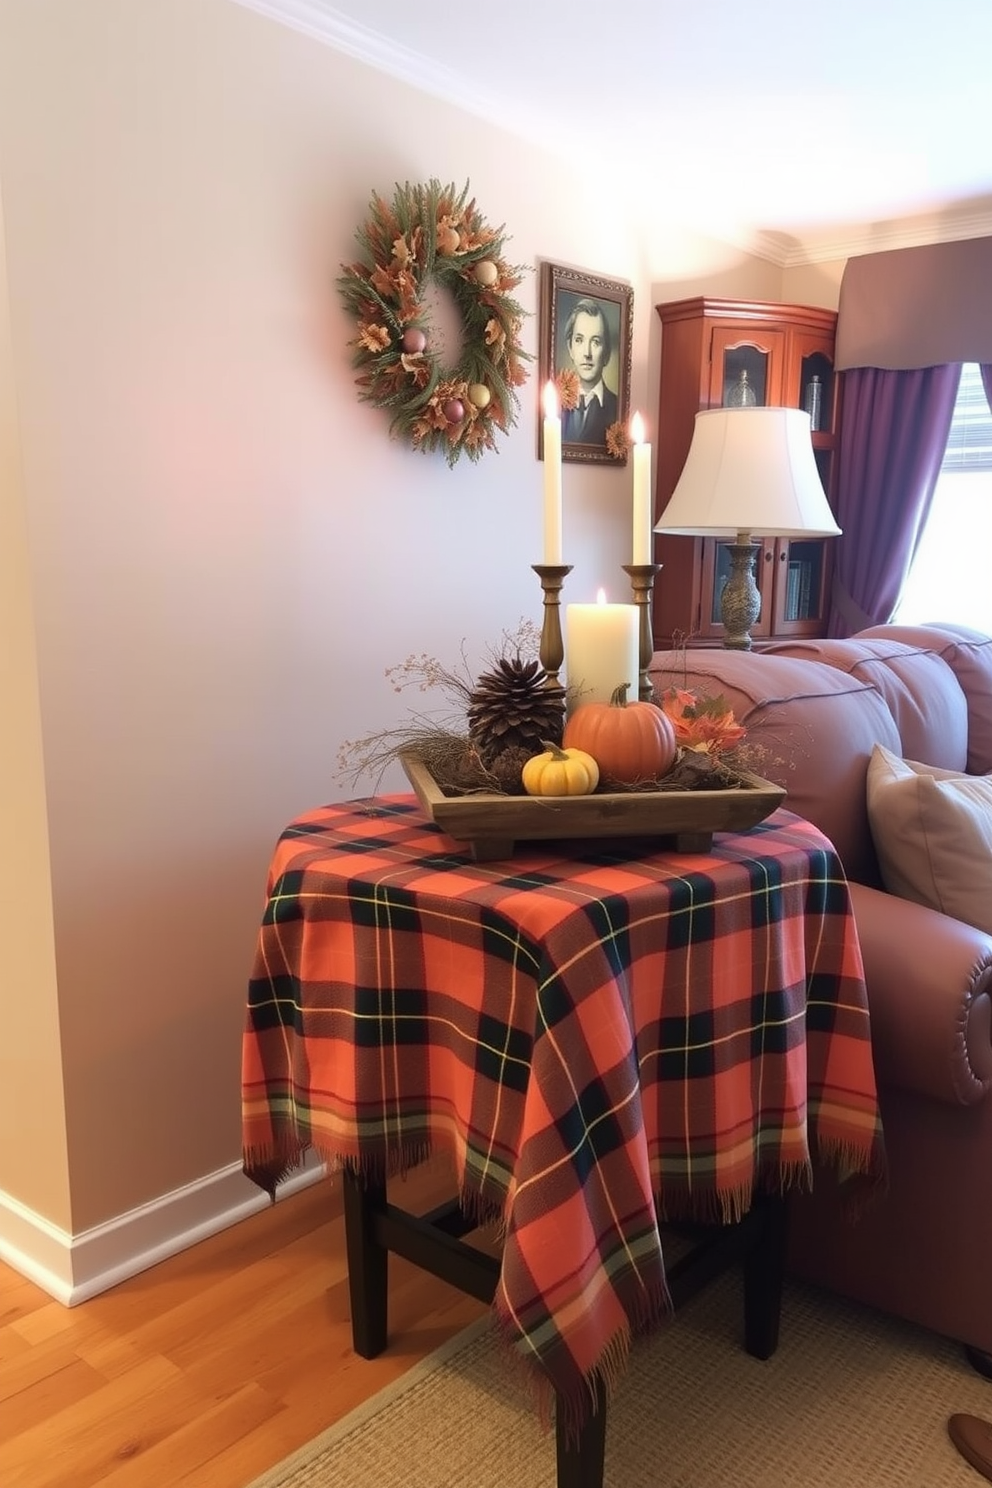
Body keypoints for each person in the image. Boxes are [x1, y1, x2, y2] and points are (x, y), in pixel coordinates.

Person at [560, 297, 618, 445]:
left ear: (606, 352)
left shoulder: (616, 407)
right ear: (570, 348)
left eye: (596, 342)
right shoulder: (554, 405)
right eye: (579, 340)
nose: (587, 353)